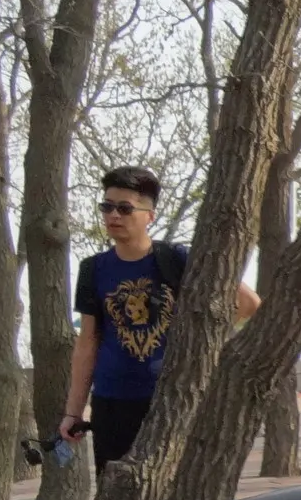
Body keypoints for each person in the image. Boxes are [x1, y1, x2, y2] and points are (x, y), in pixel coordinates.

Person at [60, 165, 260, 471]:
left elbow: (248, 303)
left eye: (125, 208)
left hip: (172, 401)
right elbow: (88, 342)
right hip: (112, 403)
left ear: (149, 216)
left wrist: (204, 345)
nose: (114, 216)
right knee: (114, 491)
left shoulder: (177, 259)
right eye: (107, 207)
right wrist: (73, 413)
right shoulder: (93, 269)